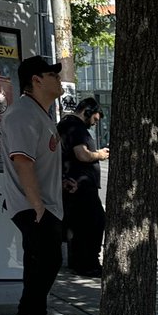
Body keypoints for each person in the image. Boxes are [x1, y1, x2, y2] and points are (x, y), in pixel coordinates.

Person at [0, 56, 79, 315]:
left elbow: (41, 161)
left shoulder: (41, 114)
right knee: (42, 260)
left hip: (44, 202)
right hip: (31, 204)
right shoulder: (22, 114)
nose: (59, 80)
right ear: (35, 79)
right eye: (52, 75)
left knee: (46, 260)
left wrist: (60, 184)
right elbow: (22, 162)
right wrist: (36, 204)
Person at [57, 96, 109, 278]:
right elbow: (82, 155)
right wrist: (100, 155)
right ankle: (89, 263)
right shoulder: (76, 127)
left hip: (74, 182)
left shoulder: (66, 124)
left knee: (78, 225)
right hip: (81, 183)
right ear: (87, 112)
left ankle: (79, 262)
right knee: (95, 222)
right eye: (94, 119)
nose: (94, 123)